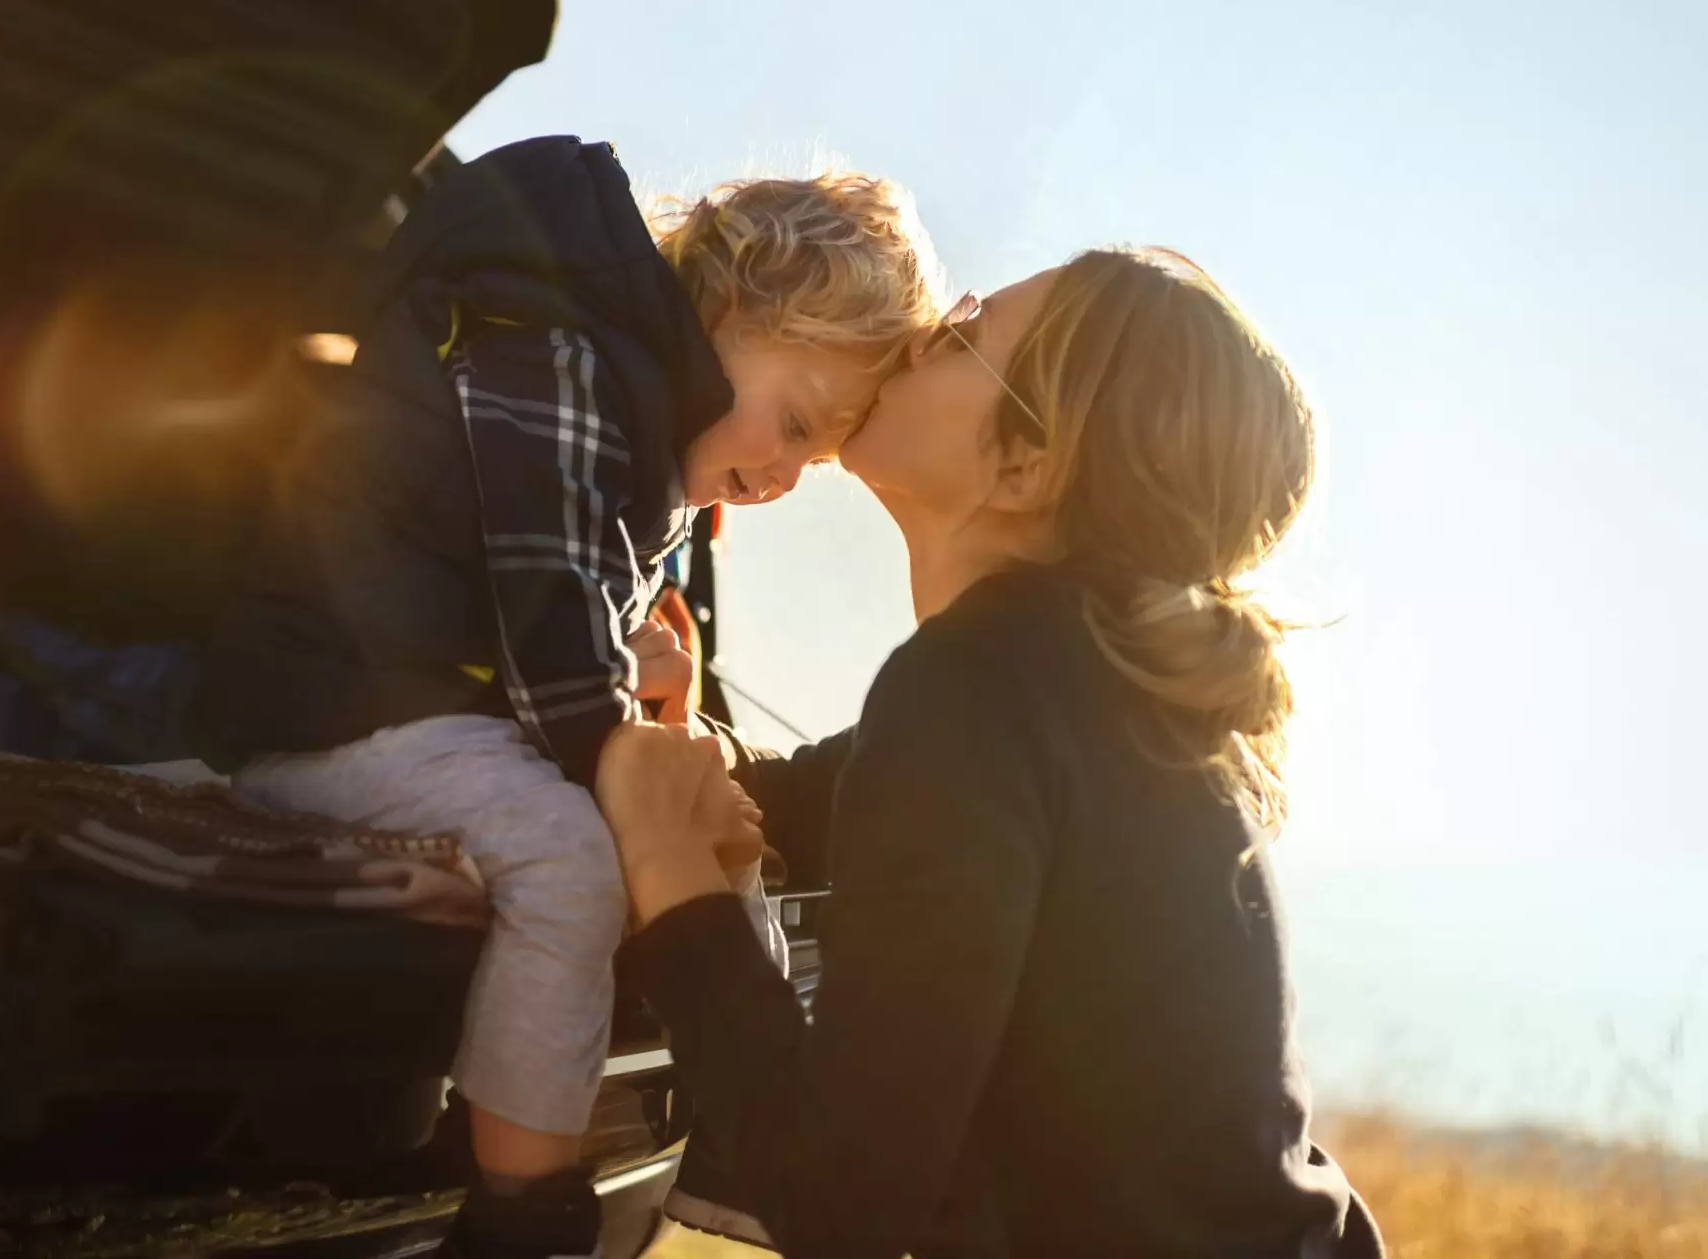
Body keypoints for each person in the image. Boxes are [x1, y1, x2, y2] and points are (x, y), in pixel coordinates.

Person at [186, 136, 940, 1259]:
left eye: (810, 459)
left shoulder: (642, 421)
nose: (783, 475)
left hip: (437, 716)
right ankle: (522, 1213)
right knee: (569, 853)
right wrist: (638, 775)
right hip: (334, 711)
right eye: (792, 421)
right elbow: (548, 606)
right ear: (726, 305)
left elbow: (567, 619)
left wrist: (668, 727)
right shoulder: (556, 353)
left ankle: (748, 1146)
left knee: (714, 841)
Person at [599, 248, 1386, 1258]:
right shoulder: (1083, 687)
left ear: (1025, 463)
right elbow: (810, 802)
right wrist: (677, 731)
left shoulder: (978, 688)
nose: (928, 326)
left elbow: (840, 1198)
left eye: (967, 334)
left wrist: (671, 878)